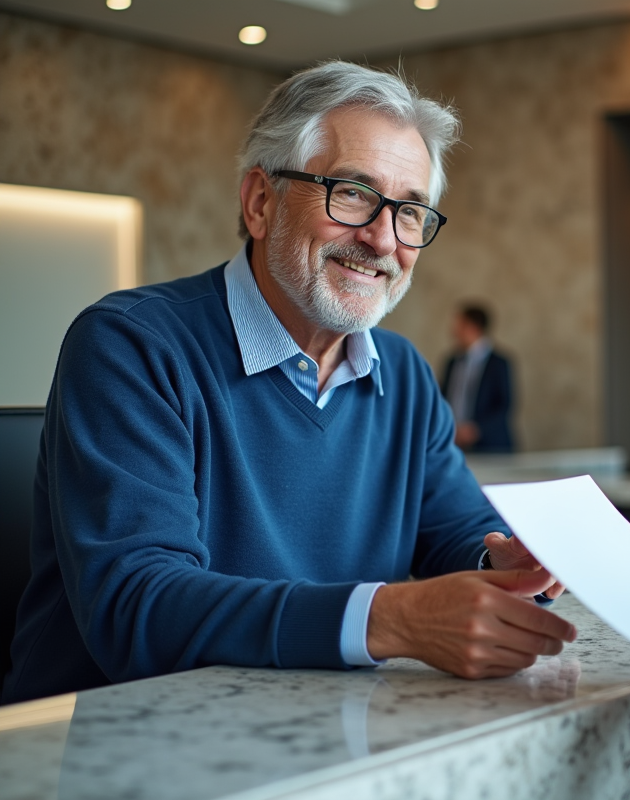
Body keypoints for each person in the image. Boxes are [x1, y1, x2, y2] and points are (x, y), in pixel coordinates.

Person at [2, 62, 576, 706]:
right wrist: (389, 620)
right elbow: (137, 604)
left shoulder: (405, 373)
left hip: (326, 724)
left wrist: (501, 563)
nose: (383, 239)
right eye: (352, 193)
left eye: (411, 211)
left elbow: (456, 531)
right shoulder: (131, 345)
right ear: (260, 202)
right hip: (113, 736)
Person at [440, 303, 515, 453]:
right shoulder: (452, 362)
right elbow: (443, 398)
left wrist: (475, 430)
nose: (454, 331)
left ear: (473, 327)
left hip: (490, 447)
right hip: (453, 444)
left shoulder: (499, 363)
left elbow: (504, 405)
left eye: (460, 325)